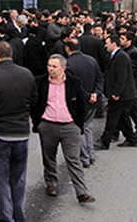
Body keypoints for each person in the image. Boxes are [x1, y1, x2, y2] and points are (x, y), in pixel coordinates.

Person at [0, 42, 37, 222]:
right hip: (21, 133)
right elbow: (34, 100)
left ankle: (5, 217)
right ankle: (18, 216)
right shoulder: (26, 74)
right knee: (18, 179)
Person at [31, 54, 96, 204]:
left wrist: (77, 124)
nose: (51, 69)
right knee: (49, 158)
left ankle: (82, 192)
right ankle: (51, 184)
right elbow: (34, 102)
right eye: (49, 66)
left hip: (69, 126)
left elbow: (81, 104)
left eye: (54, 67)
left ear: (63, 68)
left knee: (73, 159)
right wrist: (38, 122)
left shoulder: (73, 82)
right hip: (47, 125)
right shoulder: (40, 81)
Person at [95, 35, 137, 150]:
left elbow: (122, 77)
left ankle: (105, 141)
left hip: (122, 94)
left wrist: (117, 93)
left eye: (107, 43)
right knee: (122, 117)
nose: (105, 45)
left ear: (114, 44)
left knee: (112, 117)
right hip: (124, 94)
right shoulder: (117, 55)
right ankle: (131, 138)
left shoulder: (121, 57)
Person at [65, 39, 104, 168]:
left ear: (67, 48)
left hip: (79, 101)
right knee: (88, 127)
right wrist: (96, 94)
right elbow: (99, 78)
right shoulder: (91, 60)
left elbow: (74, 86)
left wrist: (88, 95)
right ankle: (90, 154)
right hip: (92, 99)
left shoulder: (68, 64)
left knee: (79, 129)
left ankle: (85, 157)